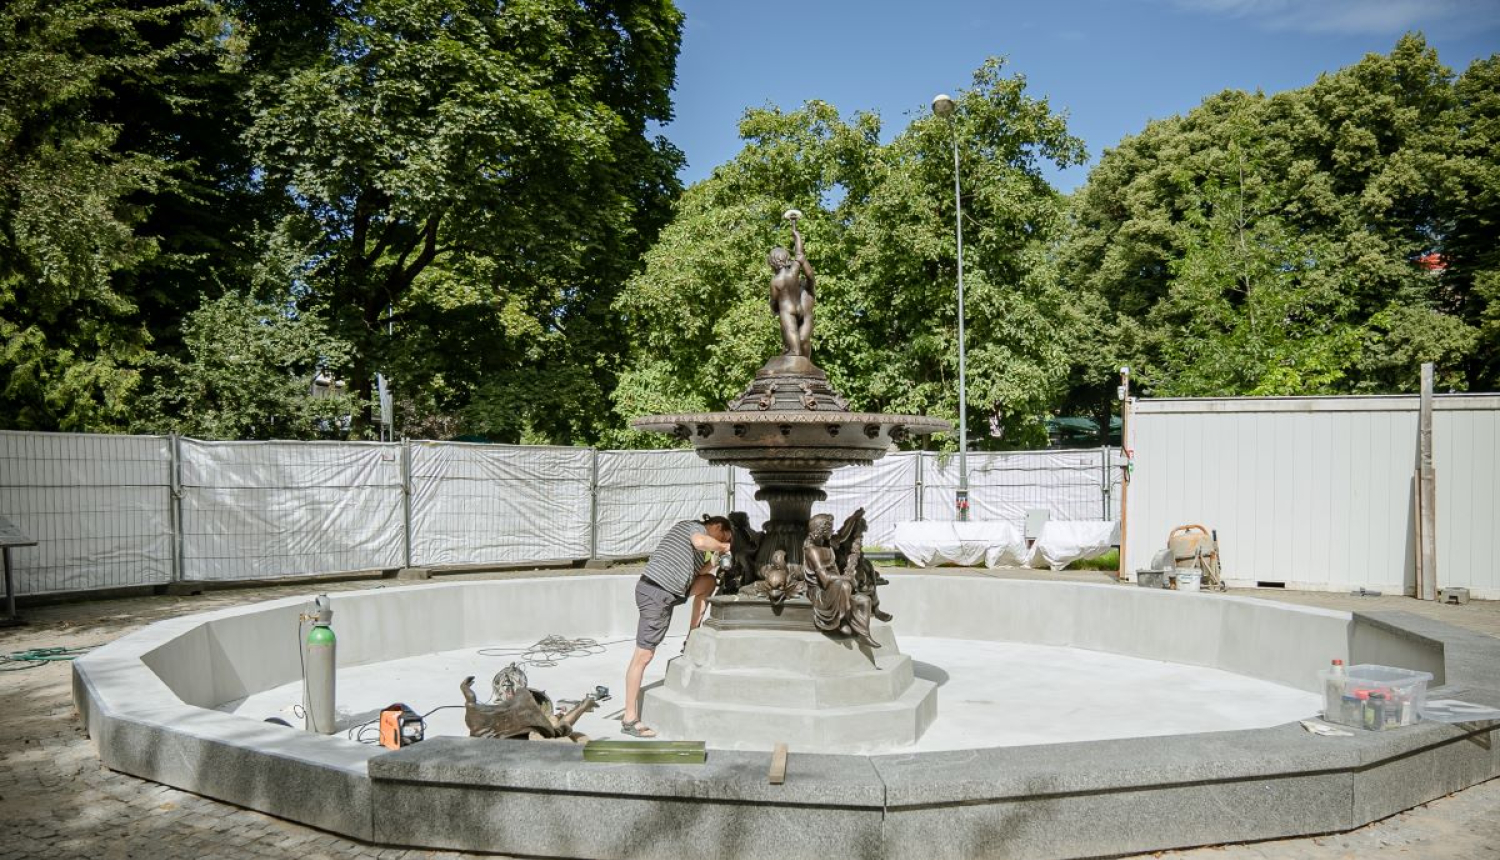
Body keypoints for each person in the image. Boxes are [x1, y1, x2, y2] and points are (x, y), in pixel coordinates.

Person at [621, 514, 733, 738]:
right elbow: (701, 542)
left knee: (709, 583)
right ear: (718, 527)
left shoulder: (694, 543)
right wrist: (724, 546)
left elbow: (699, 573)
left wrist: (715, 561)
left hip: (668, 592)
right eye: (723, 535)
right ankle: (629, 718)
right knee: (643, 655)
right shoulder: (693, 528)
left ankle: (692, 635)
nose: (721, 541)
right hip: (656, 592)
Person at [768, 219, 815, 358]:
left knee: (790, 331)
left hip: (787, 310)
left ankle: (794, 351)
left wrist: (773, 307)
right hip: (798, 307)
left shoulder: (775, 281)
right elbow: (799, 254)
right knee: (794, 334)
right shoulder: (793, 274)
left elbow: (774, 300)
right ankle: (793, 351)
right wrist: (797, 236)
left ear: (772, 263)